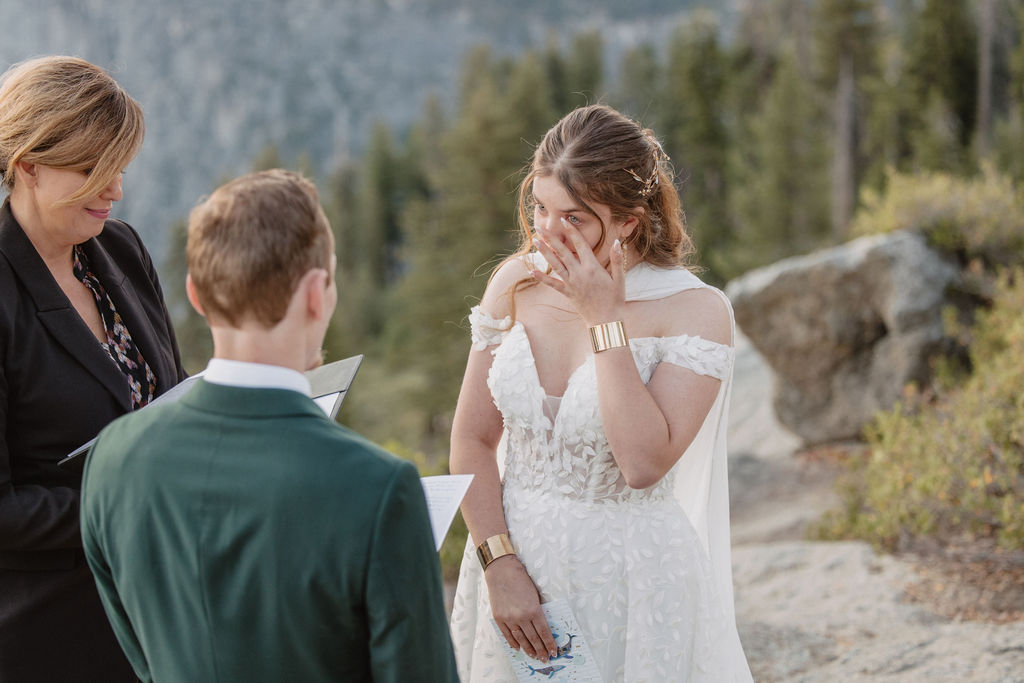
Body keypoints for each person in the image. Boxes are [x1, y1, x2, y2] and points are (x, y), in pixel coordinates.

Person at [80, 169, 459, 682]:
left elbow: (141, 657)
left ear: (195, 293)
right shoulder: (380, 488)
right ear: (315, 294)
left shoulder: (112, 458)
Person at [449, 104, 753, 681]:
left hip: (632, 584)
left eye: (575, 217)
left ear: (629, 221)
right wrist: (498, 561)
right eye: (540, 208)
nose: (549, 232)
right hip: (514, 572)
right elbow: (471, 438)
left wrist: (603, 319)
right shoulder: (515, 284)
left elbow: (642, 464)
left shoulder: (695, 310)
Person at [0, 55, 185, 681]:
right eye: (93, 170)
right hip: (48, 635)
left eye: (121, 169)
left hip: (157, 618)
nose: (116, 190)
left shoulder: (122, 250)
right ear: (27, 166)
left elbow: (171, 405)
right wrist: (129, 511)